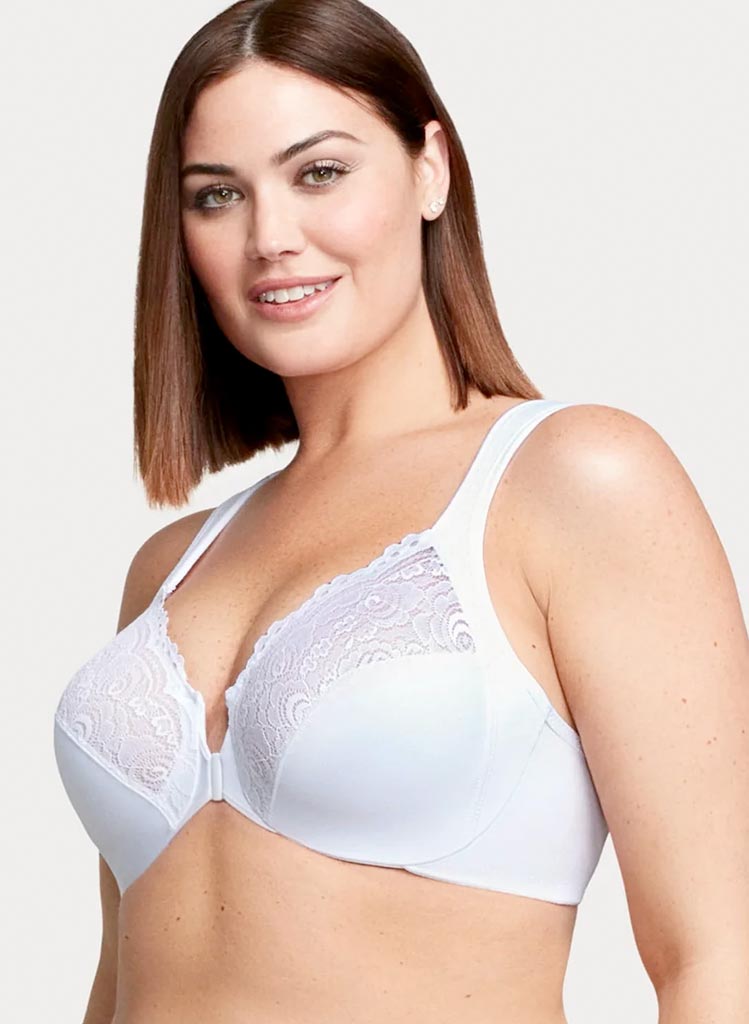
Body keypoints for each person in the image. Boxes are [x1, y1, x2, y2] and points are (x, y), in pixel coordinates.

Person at [53, 1, 749, 1021]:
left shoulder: (572, 480)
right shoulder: (171, 567)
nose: (269, 237)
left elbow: (713, 957)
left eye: (319, 172)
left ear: (430, 168)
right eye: (217, 195)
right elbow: (116, 980)